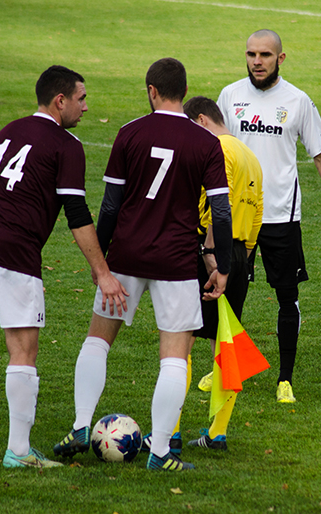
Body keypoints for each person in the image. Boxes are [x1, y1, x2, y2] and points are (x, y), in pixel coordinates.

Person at [53, 58, 233, 472]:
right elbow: (221, 213)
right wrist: (221, 266)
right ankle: (160, 452)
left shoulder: (129, 132)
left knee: (98, 341)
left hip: (126, 255)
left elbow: (110, 205)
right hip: (176, 263)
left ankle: (80, 426)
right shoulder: (206, 142)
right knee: (174, 357)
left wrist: (101, 262)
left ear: (152, 90)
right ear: (183, 91)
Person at [0, 65, 126, 469]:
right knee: (23, 350)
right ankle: (18, 451)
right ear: (60, 101)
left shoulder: (8, 130)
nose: (86, 107)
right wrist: (103, 272)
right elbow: (77, 213)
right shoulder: (66, 144)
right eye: (81, 99)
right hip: (13, 249)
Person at [216, 29, 321, 403]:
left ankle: (285, 379)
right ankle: (226, 368)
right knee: (229, 294)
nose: (256, 61)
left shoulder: (298, 101)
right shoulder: (229, 96)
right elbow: (214, 150)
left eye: (264, 55)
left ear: (281, 58)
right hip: (239, 215)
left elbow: (320, 155)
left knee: (287, 295)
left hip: (280, 215)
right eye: (251, 54)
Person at [176, 95, 263, 451]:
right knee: (224, 342)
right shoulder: (250, 155)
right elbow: (257, 213)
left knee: (180, 339)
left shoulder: (219, 149)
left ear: (201, 120)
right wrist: (241, 259)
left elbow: (219, 201)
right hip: (240, 255)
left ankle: (171, 431)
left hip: (210, 252)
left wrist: (211, 252)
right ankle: (217, 433)